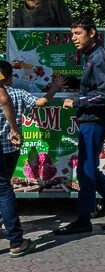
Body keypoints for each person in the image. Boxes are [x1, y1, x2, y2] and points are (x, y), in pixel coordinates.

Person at [52, 15, 105, 234]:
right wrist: (71, 82)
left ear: (92, 33)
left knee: (86, 170)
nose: (73, 38)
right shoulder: (91, 56)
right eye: (72, 34)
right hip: (91, 119)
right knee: (86, 169)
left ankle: (87, 217)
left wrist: (77, 101)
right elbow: (93, 85)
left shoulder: (98, 58)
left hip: (94, 119)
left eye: (78, 33)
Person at [0, 62, 63, 256]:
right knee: (3, 189)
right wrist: (55, 87)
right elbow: (41, 102)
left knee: (2, 189)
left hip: (8, 147)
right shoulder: (17, 94)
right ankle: (16, 241)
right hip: (9, 148)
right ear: (10, 78)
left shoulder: (10, 94)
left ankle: (16, 239)